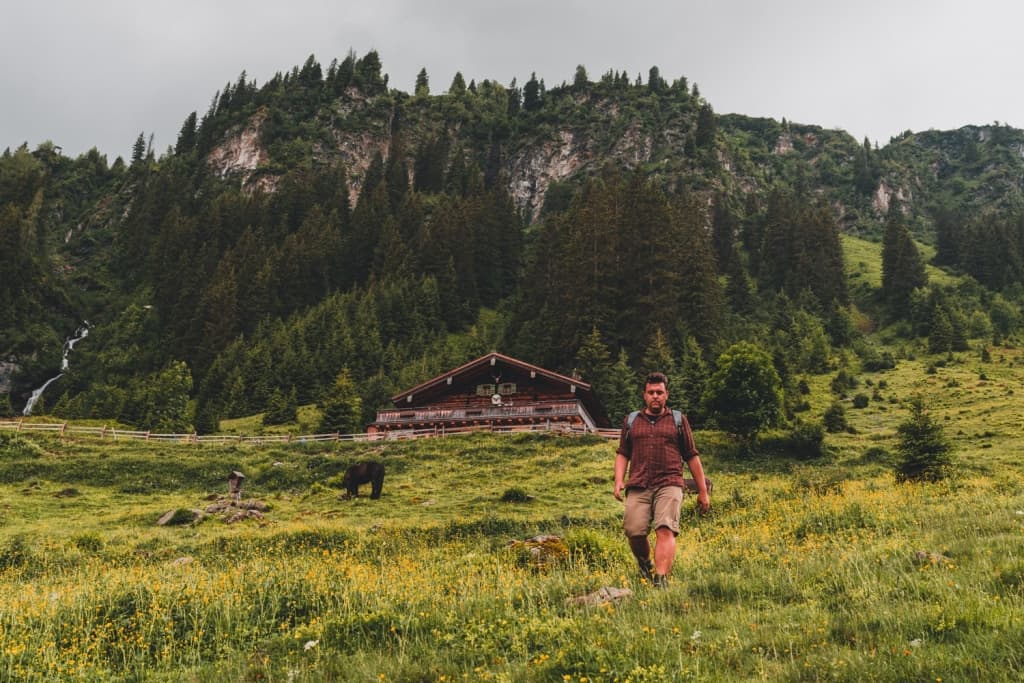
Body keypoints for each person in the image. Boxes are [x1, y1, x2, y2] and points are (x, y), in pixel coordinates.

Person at [613, 372, 710, 588]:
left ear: (666, 395)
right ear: (644, 395)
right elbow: (623, 453)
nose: (655, 396)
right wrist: (619, 479)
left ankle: (661, 579)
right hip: (638, 484)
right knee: (634, 531)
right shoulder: (631, 421)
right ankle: (645, 565)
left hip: (670, 483)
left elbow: (692, 456)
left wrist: (703, 491)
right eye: (651, 392)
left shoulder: (678, 420)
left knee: (665, 528)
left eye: (659, 392)